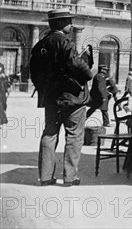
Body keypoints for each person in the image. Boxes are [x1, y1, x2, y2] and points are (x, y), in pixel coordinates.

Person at [30, 9, 93, 186]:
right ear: (61, 24)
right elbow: (75, 64)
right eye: (69, 22)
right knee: (74, 135)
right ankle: (70, 177)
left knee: (49, 134)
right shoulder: (65, 42)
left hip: (51, 99)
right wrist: (88, 74)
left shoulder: (40, 45)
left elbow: (34, 73)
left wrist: (44, 89)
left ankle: (45, 176)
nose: (71, 25)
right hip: (72, 98)